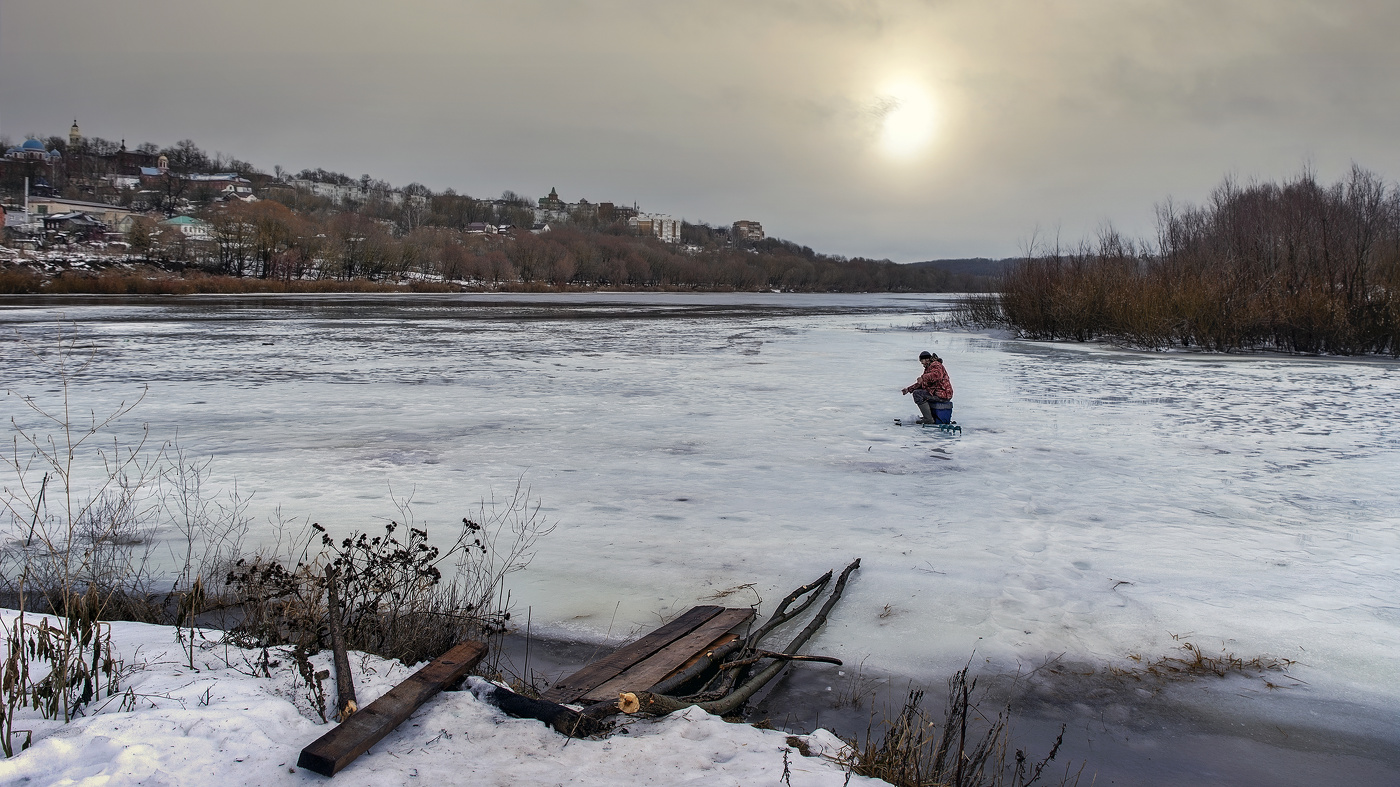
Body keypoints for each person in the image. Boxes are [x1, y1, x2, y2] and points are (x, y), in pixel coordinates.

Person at [901, 351, 954, 424]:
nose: (922, 364)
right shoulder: (929, 368)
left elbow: (937, 375)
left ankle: (928, 419)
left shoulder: (936, 365)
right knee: (921, 392)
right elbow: (922, 383)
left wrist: (923, 377)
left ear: (926, 359)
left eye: (922, 361)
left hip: (943, 394)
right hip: (938, 393)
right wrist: (908, 389)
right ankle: (930, 416)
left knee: (917, 394)